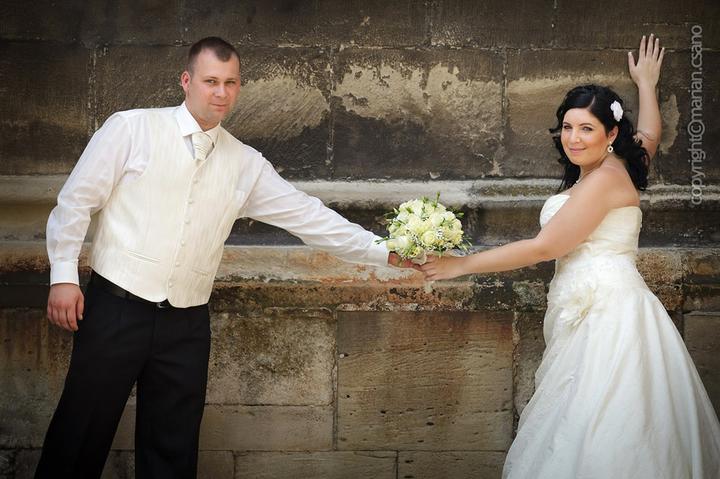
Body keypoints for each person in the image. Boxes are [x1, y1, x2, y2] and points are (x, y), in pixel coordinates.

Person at [37, 37, 411, 479]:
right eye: (210, 81)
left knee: (173, 450)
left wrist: (387, 251)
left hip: (186, 323)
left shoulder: (246, 163)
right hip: (116, 307)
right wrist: (64, 276)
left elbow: (309, 217)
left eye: (230, 83)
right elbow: (76, 201)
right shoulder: (131, 128)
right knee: (79, 435)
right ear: (186, 81)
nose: (221, 92)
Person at [420, 35, 720, 478]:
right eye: (567, 127)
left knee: (597, 421)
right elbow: (650, 136)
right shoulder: (622, 165)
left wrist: (460, 265)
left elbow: (545, 247)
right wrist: (646, 83)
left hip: (606, 316)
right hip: (601, 305)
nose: (573, 139)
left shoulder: (604, 181)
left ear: (611, 134)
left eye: (586, 129)